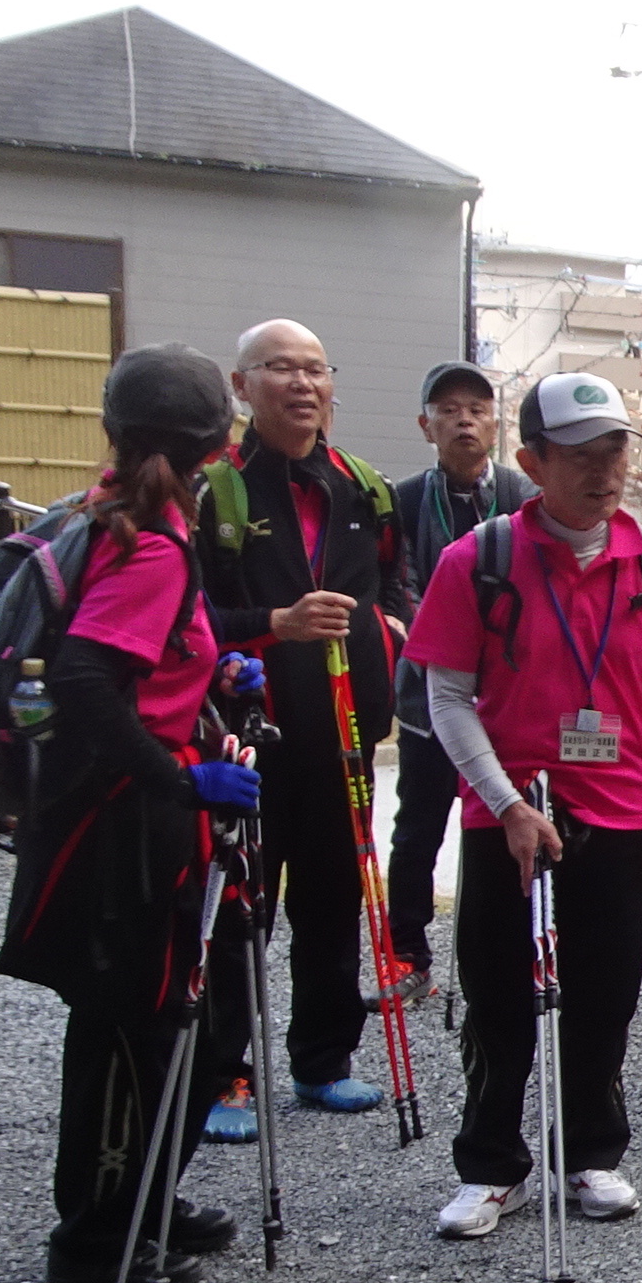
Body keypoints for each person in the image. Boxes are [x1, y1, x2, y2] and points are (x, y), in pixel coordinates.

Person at [403, 372, 642, 1236]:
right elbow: (447, 697)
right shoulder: (481, 559)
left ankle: (591, 1155)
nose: (603, 470)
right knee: (498, 997)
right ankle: (491, 1166)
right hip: (506, 819)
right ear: (532, 460)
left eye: (615, 449)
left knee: (605, 996)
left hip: (613, 816)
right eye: (579, 454)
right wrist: (504, 803)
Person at [0, 347, 269, 1283]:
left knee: (178, 1015)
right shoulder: (151, 543)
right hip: (131, 834)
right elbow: (83, 680)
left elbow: (141, 660)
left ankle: (143, 1195)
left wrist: (215, 671)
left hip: (112, 819)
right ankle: (99, 1235)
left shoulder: (109, 513)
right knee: (145, 1027)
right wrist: (181, 781)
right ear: (215, 446)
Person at [193, 317, 416, 1133]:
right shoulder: (216, 491)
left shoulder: (363, 487)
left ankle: (323, 1060)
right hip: (246, 734)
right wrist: (273, 623)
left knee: (332, 898)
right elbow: (186, 618)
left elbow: (397, 581)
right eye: (279, 369)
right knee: (237, 904)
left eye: (315, 370)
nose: (301, 384)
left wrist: (387, 633)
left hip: (343, 732)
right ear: (242, 385)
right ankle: (224, 1074)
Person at [385, 361, 528, 993]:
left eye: (476, 407)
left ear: (495, 422)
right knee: (418, 829)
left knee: (510, 823)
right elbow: (395, 589)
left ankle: (511, 953)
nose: (464, 419)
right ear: (426, 425)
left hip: (510, 702)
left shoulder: (524, 496)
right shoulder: (405, 500)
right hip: (429, 700)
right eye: (448, 410)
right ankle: (408, 957)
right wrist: (440, 648)